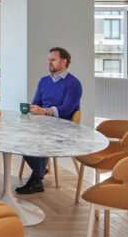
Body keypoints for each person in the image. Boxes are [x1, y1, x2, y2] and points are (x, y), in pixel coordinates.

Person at [16, 46, 82, 194]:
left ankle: (37, 178)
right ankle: (39, 171)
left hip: (64, 127)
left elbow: (67, 109)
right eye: (49, 60)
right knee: (18, 137)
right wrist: (33, 109)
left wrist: (45, 111)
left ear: (63, 62)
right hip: (43, 124)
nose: (49, 62)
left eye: (53, 59)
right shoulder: (44, 81)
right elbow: (36, 103)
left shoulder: (73, 83)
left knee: (37, 139)